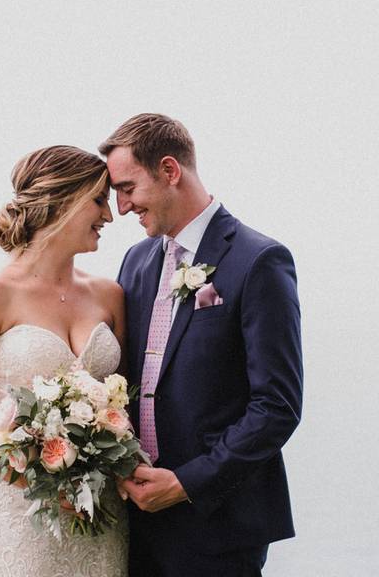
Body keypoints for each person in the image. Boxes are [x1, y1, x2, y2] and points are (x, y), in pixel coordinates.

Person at [100, 113, 304, 577]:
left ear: (170, 171)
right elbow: (116, 372)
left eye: (128, 188)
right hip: (137, 519)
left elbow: (276, 406)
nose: (122, 207)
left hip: (219, 525)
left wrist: (186, 483)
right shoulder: (136, 260)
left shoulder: (259, 260)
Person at [0, 145, 129, 576]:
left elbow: (128, 401)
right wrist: (44, 483)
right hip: (20, 514)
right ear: (62, 202)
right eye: (98, 200)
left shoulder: (110, 296)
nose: (109, 216)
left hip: (100, 511)